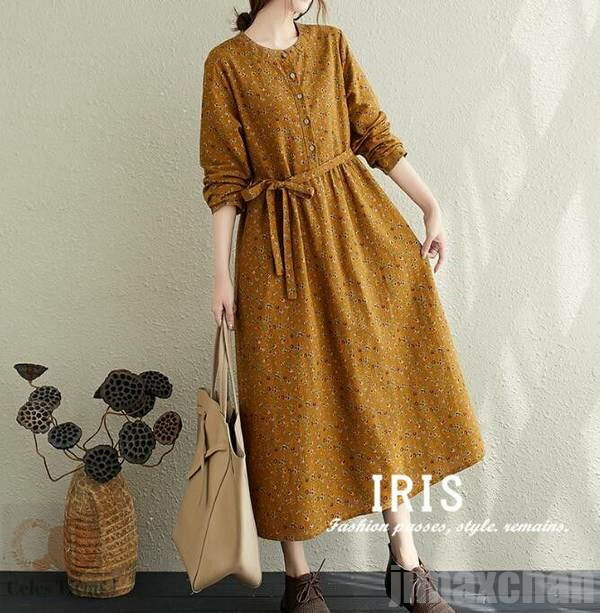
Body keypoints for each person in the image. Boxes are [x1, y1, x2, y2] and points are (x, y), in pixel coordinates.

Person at [200, 1, 485, 611]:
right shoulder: (225, 65)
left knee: (376, 388)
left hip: (354, 233)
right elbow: (223, 178)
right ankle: (299, 577)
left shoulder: (331, 46)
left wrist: (430, 205)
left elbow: (374, 133)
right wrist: (220, 275)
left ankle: (406, 562)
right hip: (274, 254)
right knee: (283, 404)